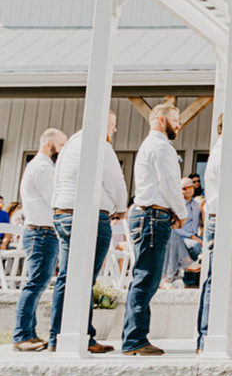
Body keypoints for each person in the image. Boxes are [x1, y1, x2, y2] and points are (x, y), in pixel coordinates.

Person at [50, 111, 128, 353]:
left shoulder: (72, 143)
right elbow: (115, 181)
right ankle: (83, 336)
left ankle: (57, 336)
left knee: (66, 277)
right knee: (85, 278)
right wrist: (121, 208)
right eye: (113, 125)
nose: (113, 131)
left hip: (63, 213)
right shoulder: (99, 144)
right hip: (88, 217)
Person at [121, 103, 188, 356]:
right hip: (151, 216)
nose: (179, 124)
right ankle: (134, 339)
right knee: (146, 277)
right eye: (176, 119)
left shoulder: (152, 145)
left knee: (146, 278)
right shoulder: (161, 146)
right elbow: (169, 183)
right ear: (161, 120)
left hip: (150, 215)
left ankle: (135, 337)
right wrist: (181, 213)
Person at [196, 115, 232, 355]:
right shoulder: (227, 153)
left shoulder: (217, 152)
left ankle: (207, 337)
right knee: (218, 280)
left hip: (218, 219)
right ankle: (210, 337)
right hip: (225, 220)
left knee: (215, 279)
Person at [11, 129, 67, 351]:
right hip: (41, 233)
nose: (63, 151)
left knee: (39, 282)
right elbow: (56, 198)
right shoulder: (42, 168)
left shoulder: (45, 167)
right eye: (60, 146)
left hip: (45, 232)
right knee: (35, 283)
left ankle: (29, 333)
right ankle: (22, 335)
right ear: (49, 144)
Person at [163, 177, 203, 288]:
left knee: (205, 245)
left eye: (190, 187)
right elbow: (174, 227)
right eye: (184, 188)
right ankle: (189, 276)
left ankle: (192, 279)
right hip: (180, 236)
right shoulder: (176, 205)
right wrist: (191, 236)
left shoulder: (197, 205)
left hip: (194, 236)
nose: (188, 190)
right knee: (194, 246)